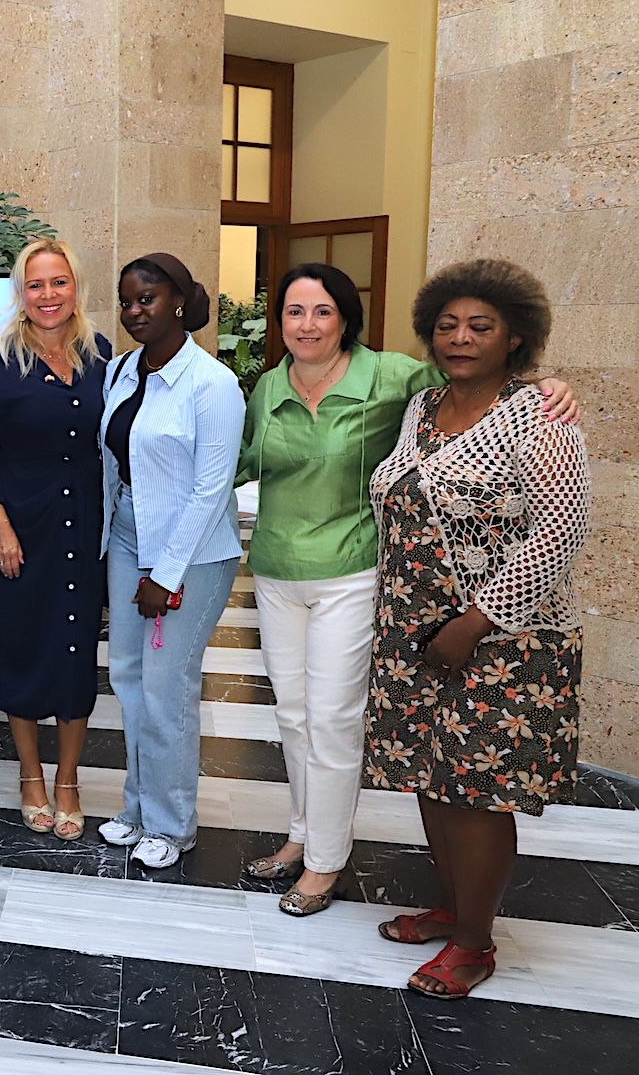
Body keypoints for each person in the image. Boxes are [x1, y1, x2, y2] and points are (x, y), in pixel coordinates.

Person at [237, 264, 579, 916]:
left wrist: (547, 386)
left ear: (345, 319)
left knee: (335, 721)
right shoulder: (270, 388)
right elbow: (244, 460)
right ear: (278, 322)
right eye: (293, 312)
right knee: (293, 717)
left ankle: (326, 865)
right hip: (285, 571)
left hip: (356, 571)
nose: (307, 325)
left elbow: (484, 387)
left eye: (322, 312)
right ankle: (303, 838)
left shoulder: (395, 378)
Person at [365, 259, 590, 999]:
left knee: (477, 786)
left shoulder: (540, 415)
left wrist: (477, 619)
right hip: (413, 626)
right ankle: (457, 908)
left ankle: (474, 944)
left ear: (516, 336)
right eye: (447, 325)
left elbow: (559, 531)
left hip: (502, 636)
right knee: (431, 774)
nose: (460, 338)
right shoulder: (422, 408)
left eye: (480, 326)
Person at [98, 253, 244, 870]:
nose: (135, 312)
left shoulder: (212, 385)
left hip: (192, 552)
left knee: (167, 687)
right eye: (127, 301)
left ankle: (172, 822)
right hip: (129, 536)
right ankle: (138, 807)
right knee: (128, 680)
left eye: (148, 299)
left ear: (179, 302)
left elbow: (212, 490)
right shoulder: (121, 371)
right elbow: (113, 461)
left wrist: (165, 573)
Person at [0, 238, 111, 839]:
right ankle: (31, 776)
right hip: (19, 533)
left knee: (76, 657)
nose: (48, 295)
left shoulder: (102, 355)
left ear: (75, 287)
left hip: (84, 531)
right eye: (36, 285)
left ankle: (69, 779)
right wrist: (0, 526)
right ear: (20, 294)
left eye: (59, 283)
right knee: (22, 649)